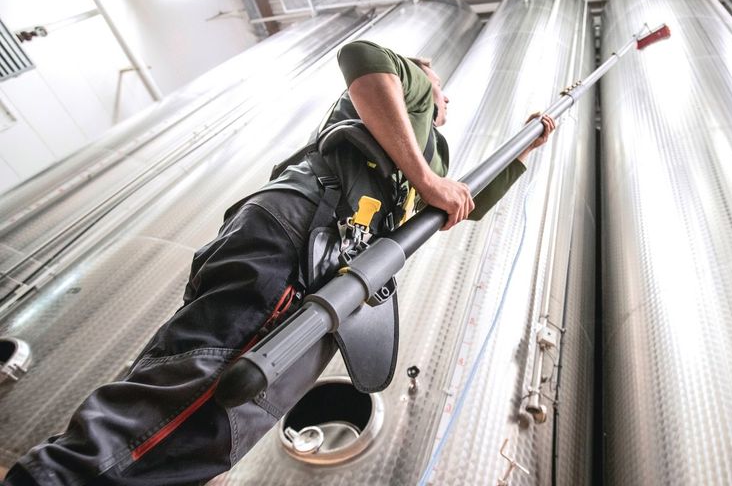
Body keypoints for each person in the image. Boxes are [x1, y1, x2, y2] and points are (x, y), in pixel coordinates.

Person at [4, 40, 556, 486]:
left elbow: (463, 202)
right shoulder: (409, 100)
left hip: (327, 271)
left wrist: (524, 145)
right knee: (202, 392)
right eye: (441, 91)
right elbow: (362, 60)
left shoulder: (429, 153)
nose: (446, 101)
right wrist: (429, 175)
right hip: (304, 236)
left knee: (216, 422)